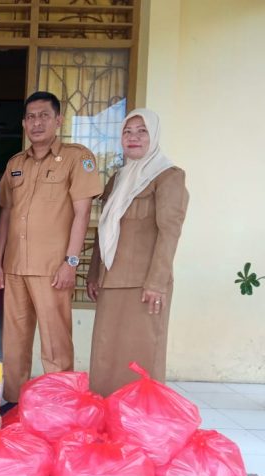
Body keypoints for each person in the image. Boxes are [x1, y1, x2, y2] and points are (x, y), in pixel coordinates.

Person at [0, 91, 103, 404]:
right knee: (15, 342)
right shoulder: (15, 164)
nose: (37, 122)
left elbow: (83, 213)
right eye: (31, 117)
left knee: (55, 343)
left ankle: (61, 406)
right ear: (24, 123)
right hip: (15, 267)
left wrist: (71, 262)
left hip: (52, 268)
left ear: (58, 120)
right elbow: (6, 214)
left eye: (44, 115)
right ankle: (14, 403)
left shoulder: (76, 158)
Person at [86, 109, 189, 397]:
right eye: (127, 131)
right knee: (106, 358)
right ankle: (109, 418)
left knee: (140, 358)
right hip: (112, 281)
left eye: (141, 131)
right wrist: (94, 274)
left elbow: (170, 231)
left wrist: (157, 283)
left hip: (144, 285)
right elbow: (103, 228)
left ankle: (140, 424)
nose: (133, 137)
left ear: (153, 136)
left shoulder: (167, 177)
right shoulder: (119, 178)